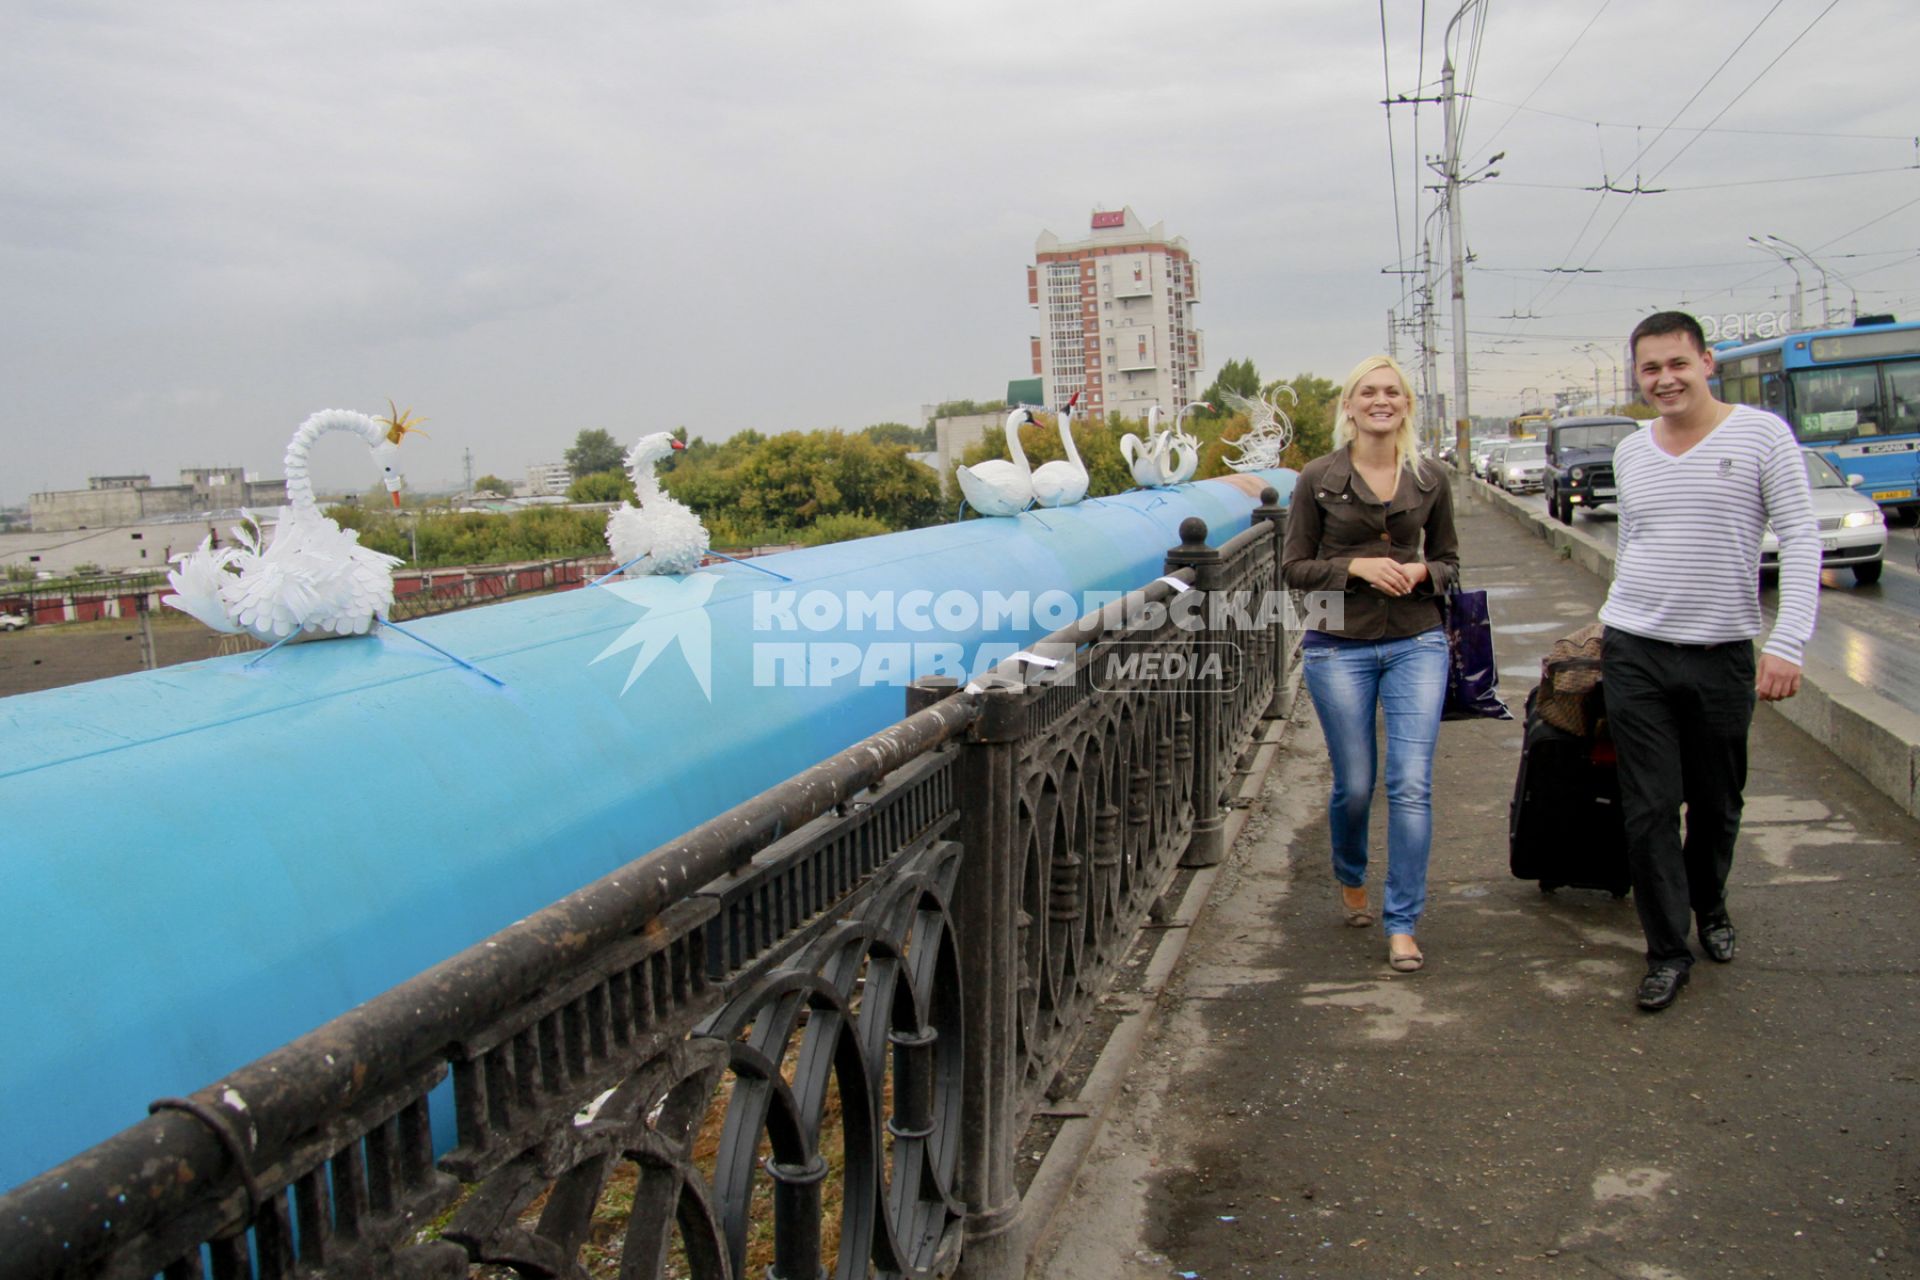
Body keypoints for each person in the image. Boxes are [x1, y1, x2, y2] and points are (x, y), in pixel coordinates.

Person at [1600, 310, 1818, 1012]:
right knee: (1650, 808)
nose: (1665, 379)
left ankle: (1711, 905)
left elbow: (1802, 536)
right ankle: (1667, 950)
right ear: (1638, 375)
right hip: (1635, 651)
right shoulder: (1631, 451)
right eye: (1651, 368)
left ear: (1706, 362)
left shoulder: (1761, 436)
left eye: (1677, 364)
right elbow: (1634, 542)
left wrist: (1786, 641)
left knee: (1718, 804)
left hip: (1723, 653)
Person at [1282, 354, 1459, 972]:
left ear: (1406, 405)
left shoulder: (1431, 479)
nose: (1381, 400)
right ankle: (1350, 872)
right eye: (1368, 392)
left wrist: (1423, 572)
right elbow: (1293, 568)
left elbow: (1452, 565)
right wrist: (1353, 567)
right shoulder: (1317, 478)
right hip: (1338, 645)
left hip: (1417, 640)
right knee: (1355, 785)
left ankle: (1403, 922)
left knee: (1411, 783)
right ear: (1349, 407)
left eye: (1392, 392)